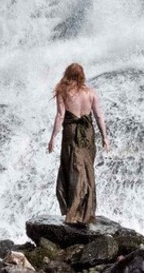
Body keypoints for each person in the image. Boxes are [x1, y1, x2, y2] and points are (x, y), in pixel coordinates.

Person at [48, 63, 110, 225]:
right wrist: (104, 136)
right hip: (88, 133)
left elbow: (60, 115)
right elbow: (99, 116)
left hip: (71, 131)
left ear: (67, 74)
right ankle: (86, 211)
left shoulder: (64, 92)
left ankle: (74, 211)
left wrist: (53, 137)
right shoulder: (91, 93)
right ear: (82, 76)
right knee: (86, 169)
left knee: (73, 168)